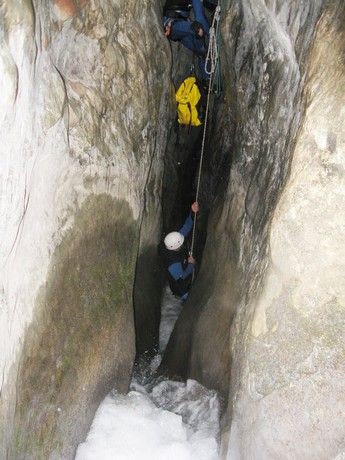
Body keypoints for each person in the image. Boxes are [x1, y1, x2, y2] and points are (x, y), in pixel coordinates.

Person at [163, 0, 210, 82]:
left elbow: (200, 16)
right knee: (197, 29)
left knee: (202, 51)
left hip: (183, 27)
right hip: (173, 25)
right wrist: (210, 34)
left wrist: (210, 35)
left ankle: (207, 80)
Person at [160, 202, 199, 300]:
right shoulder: (173, 264)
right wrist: (191, 264)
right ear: (177, 246)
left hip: (182, 265)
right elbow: (183, 277)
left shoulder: (171, 242)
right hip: (181, 290)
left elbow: (186, 227)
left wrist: (192, 212)